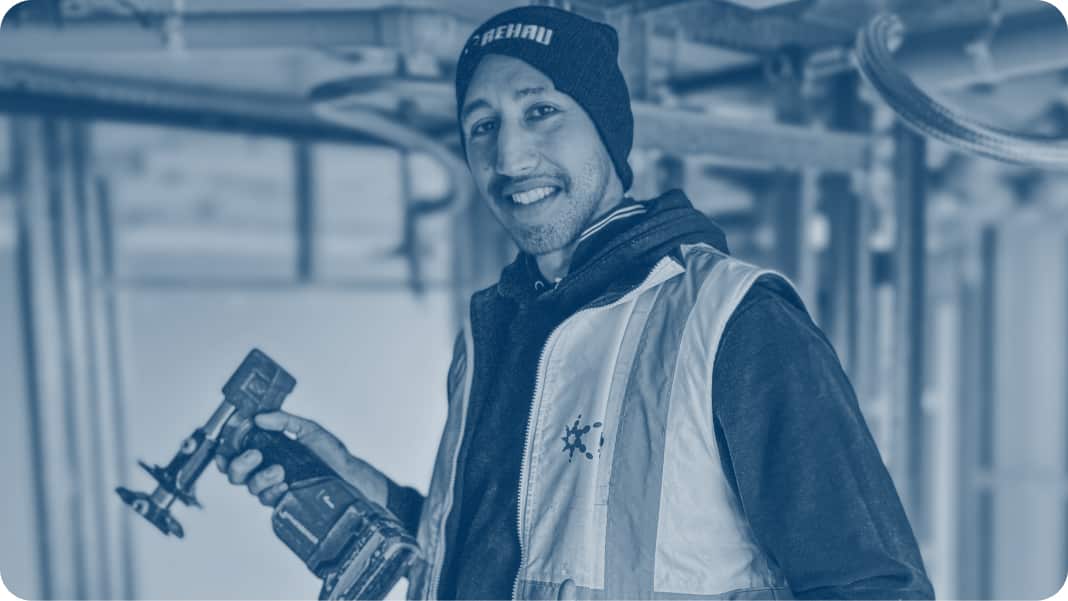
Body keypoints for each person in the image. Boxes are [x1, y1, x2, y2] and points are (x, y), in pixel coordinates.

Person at [218, 6, 934, 600]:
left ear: (606, 132)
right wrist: (357, 483)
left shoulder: (733, 321)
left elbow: (877, 586)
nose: (510, 157)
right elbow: (496, 562)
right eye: (482, 125)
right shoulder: (500, 329)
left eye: (542, 111)